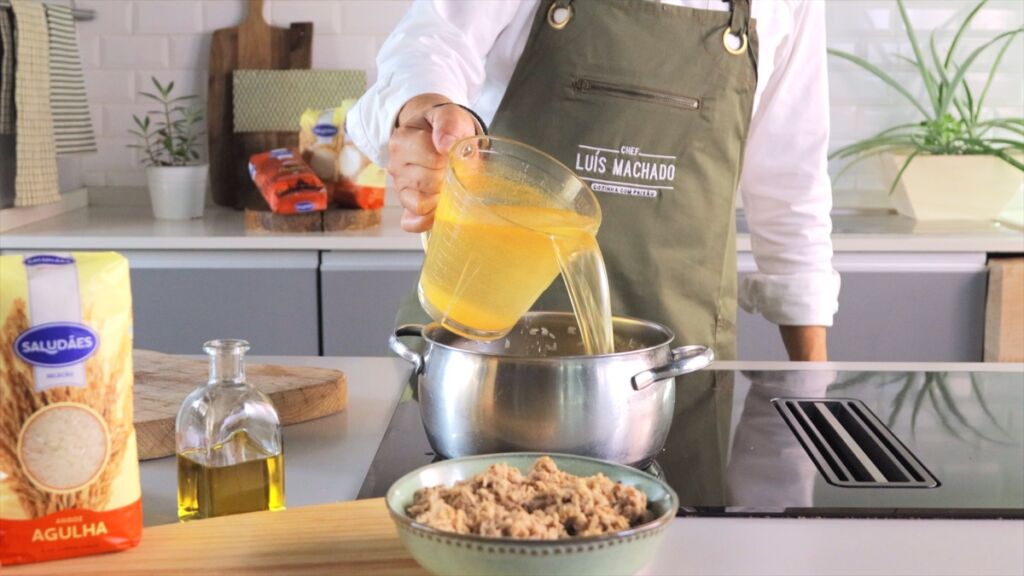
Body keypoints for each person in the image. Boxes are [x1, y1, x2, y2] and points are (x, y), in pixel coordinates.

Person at [347, 0, 840, 361]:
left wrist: (812, 382)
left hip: (675, 375)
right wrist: (426, 108)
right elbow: (429, 43)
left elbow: (791, 182)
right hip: (485, 358)